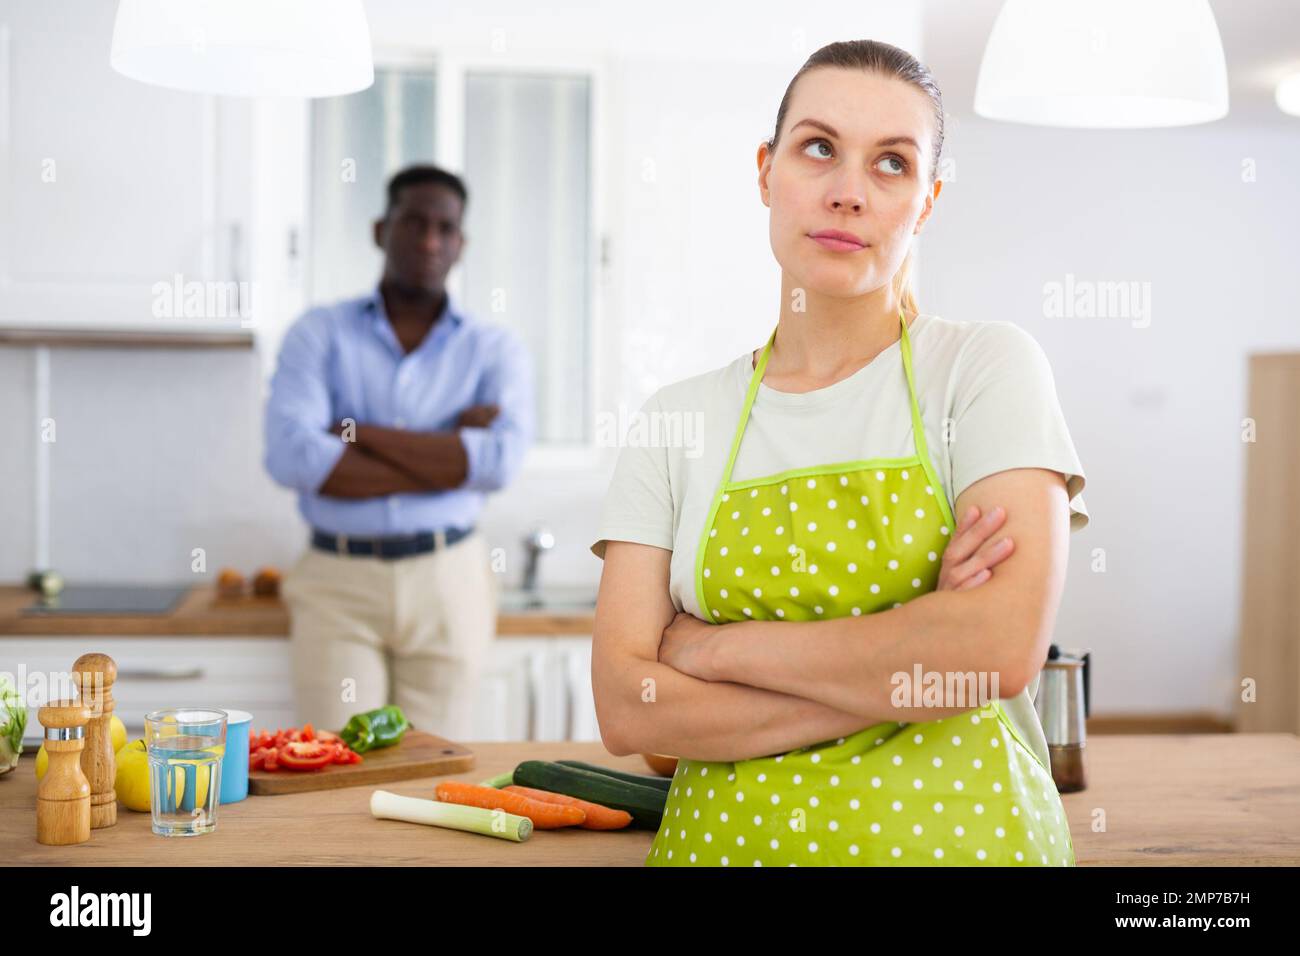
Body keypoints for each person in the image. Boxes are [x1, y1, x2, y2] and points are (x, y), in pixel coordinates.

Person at [590, 40, 1089, 867]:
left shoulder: (983, 370)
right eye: (819, 147)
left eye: (891, 164)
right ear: (765, 171)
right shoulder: (676, 421)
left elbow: (997, 652)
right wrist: (918, 663)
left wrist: (716, 651)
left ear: (926, 202)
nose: (848, 192)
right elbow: (629, 708)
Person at [264, 164, 535, 741]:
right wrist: (448, 453)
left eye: (445, 227)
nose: (429, 240)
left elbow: (499, 463)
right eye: (414, 222)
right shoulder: (318, 333)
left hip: (449, 581)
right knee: (333, 767)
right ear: (380, 230)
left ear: (461, 243)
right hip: (338, 583)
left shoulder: (493, 349)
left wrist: (359, 433)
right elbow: (292, 457)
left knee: (434, 774)